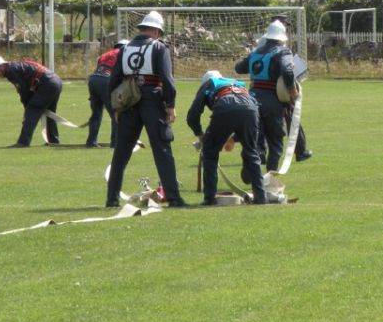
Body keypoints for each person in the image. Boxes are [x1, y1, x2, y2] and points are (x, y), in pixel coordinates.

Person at [105, 11, 186, 208]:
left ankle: (112, 198)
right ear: (157, 31)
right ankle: (173, 197)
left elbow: (113, 81)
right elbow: (168, 80)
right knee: (162, 149)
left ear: (142, 28)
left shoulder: (124, 49)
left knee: (121, 152)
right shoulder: (159, 48)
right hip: (153, 101)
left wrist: (116, 107)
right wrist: (170, 105)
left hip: (128, 103)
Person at [186, 70, 267, 205]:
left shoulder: (209, 84)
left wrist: (200, 135)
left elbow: (193, 115)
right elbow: (248, 110)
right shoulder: (237, 83)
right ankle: (260, 196)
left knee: (210, 153)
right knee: (251, 152)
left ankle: (209, 198)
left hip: (225, 106)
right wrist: (234, 138)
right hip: (251, 109)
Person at [235, 20, 298, 172]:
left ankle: (251, 170)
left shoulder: (255, 52)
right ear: (281, 37)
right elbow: (288, 71)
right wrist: (291, 90)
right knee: (275, 142)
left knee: (257, 139)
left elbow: (239, 68)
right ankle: (270, 178)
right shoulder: (283, 51)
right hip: (273, 100)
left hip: (252, 99)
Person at [0, 55, 63, 147]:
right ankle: (53, 141)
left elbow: (23, 90)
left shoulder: (11, 71)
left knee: (32, 111)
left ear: (1, 67)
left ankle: (23, 142)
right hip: (55, 81)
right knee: (49, 114)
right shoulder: (13, 68)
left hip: (47, 84)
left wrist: (27, 107)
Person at [268, 14, 313, 162]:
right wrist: (292, 86)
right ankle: (300, 151)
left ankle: (261, 154)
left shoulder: (264, 42)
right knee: (292, 118)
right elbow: (288, 68)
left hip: (264, 87)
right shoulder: (279, 43)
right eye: (285, 24)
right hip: (281, 87)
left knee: (263, 121)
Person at [86, 39, 128, 148]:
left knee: (96, 113)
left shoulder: (105, 54)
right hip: (106, 80)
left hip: (93, 80)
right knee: (117, 113)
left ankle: (91, 142)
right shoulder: (124, 53)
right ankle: (116, 143)